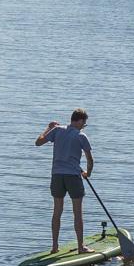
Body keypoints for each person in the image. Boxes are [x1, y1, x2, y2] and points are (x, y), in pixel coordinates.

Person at [35, 108, 94, 253]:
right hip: (73, 176)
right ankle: (81, 247)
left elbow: (38, 142)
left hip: (57, 176)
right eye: (84, 123)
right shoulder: (81, 136)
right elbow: (90, 159)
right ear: (79, 120)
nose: (83, 126)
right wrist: (88, 173)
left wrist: (48, 127)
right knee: (77, 212)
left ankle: (55, 247)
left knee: (57, 211)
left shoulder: (57, 130)